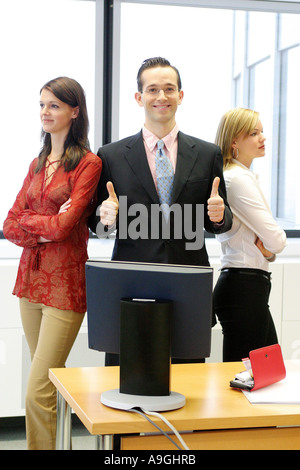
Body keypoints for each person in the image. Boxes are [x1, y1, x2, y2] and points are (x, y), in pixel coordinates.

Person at [89, 57, 233, 365]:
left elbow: (221, 222)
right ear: (139, 97)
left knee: (188, 389)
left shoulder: (207, 154)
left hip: (188, 284)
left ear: (181, 95)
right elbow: (97, 227)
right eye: (152, 89)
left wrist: (219, 216)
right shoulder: (111, 156)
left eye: (169, 89)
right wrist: (105, 218)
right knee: (125, 386)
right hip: (130, 286)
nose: (161, 97)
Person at [3, 77, 102, 449]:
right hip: (30, 281)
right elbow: (9, 222)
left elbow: (65, 227)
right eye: (42, 104)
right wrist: (42, 228)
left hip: (64, 285)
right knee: (48, 386)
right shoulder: (37, 162)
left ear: (74, 112)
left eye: (55, 105)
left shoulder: (89, 165)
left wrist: (39, 224)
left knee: (37, 391)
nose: (45, 112)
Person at [213, 107, 286, 362]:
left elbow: (270, 246)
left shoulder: (239, 176)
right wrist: (271, 247)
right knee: (245, 379)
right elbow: (277, 239)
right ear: (234, 141)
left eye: (262, 131)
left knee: (269, 373)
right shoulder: (238, 179)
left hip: (247, 286)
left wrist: (270, 251)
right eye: (254, 133)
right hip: (243, 288)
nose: (263, 138)